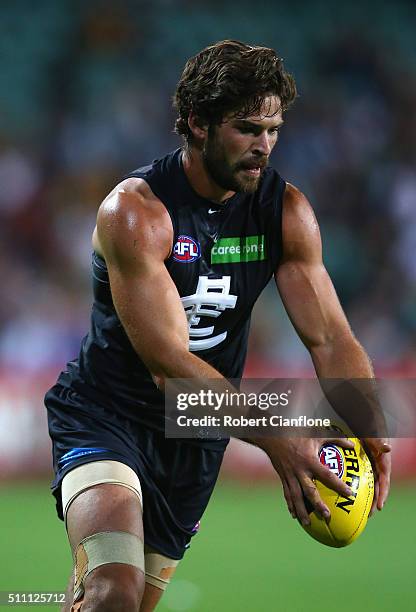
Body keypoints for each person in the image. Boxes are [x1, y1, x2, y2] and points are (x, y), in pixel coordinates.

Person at [45, 40, 391, 612]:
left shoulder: (286, 212)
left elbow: (330, 338)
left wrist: (368, 425)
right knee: (115, 592)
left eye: (273, 130)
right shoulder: (135, 214)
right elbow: (169, 371)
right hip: (109, 418)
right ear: (197, 124)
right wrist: (278, 438)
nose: (264, 146)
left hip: (194, 445)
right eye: (247, 128)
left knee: (121, 602)